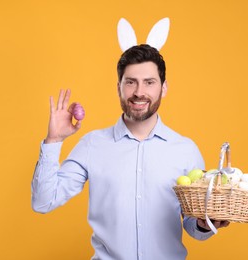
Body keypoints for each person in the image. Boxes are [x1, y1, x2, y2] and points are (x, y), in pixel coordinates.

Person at [31, 44, 229, 260]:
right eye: (131, 82)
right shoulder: (92, 145)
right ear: (119, 87)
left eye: (149, 82)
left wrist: (204, 224)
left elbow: (193, 227)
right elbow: (43, 202)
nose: (139, 92)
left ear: (163, 88)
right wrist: (53, 141)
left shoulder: (185, 150)